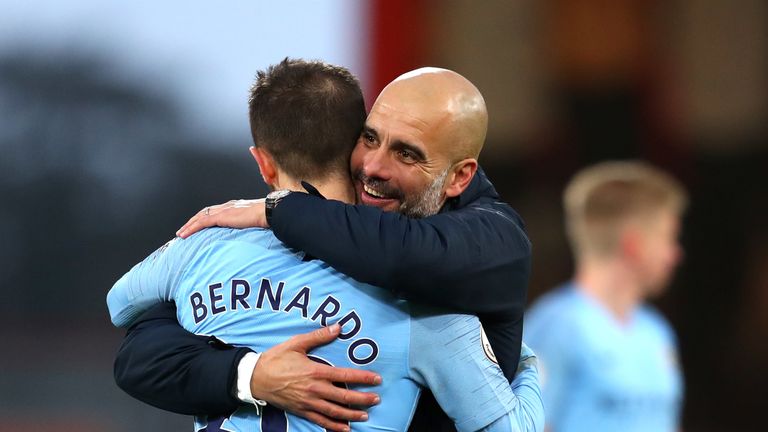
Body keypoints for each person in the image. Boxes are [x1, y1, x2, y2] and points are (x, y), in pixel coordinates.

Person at [107, 59, 543, 432]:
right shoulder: (431, 318)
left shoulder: (493, 242)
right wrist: (251, 373)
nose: (373, 167)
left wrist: (275, 210)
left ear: (460, 177)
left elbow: (121, 302)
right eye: (370, 139)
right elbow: (140, 351)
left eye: (407, 154)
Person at [524, 161, 686, 432]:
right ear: (635, 245)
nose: (675, 255)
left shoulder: (657, 331)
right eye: (668, 238)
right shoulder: (557, 327)